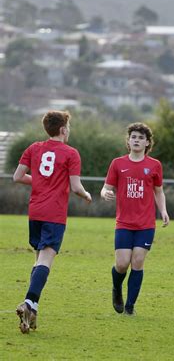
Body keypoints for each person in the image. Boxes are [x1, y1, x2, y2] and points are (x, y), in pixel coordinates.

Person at [13, 110, 92, 334]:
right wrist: (86, 195)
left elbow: (17, 177)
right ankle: (28, 302)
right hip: (54, 213)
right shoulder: (71, 153)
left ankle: (33, 310)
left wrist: (38, 182)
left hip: (35, 211)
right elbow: (76, 187)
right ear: (63, 129)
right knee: (46, 260)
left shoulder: (33, 148)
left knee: (38, 260)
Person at [101, 122, 169, 316]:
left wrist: (163, 210)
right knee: (122, 264)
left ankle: (130, 306)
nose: (137, 140)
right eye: (133, 137)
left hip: (146, 224)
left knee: (137, 261)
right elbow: (106, 187)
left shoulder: (154, 165)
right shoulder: (118, 163)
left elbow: (159, 191)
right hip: (123, 223)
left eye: (141, 137)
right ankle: (117, 289)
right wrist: (105, 192)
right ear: (128, 141)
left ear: (147, 143)